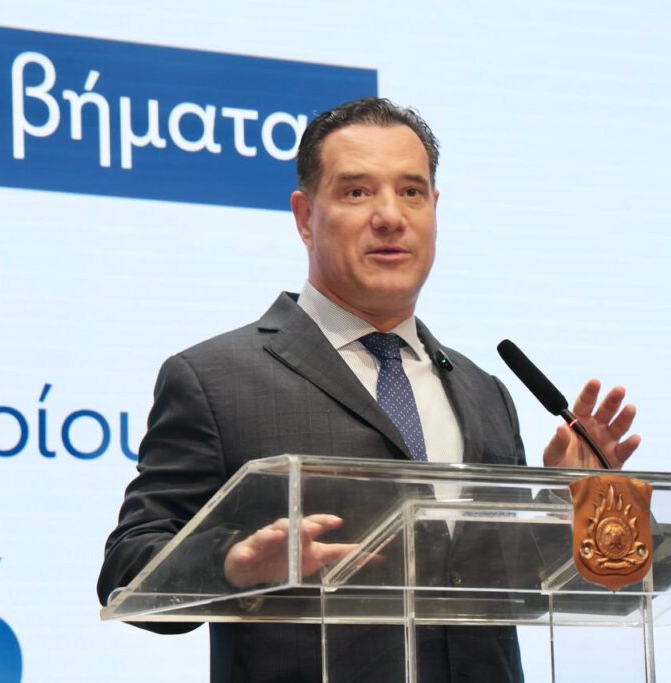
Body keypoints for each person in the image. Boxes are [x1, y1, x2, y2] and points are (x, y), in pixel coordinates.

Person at [97, 97, 640, 682]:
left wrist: (569, 504)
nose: (390, 216)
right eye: (357, 192)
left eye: (411, 192)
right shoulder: (215, 380)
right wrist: (235, 564)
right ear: (305, 217)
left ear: (434, 210)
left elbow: (511, 588)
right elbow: (128, 570)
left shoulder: (485, 393)